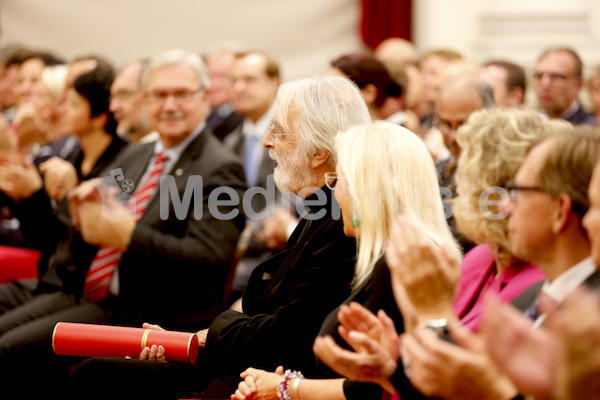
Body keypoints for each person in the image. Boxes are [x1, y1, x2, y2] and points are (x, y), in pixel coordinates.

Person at [67, 74, 372, 400]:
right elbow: (271, 314)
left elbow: (285, 332)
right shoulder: (321, 209)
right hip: (237, 350)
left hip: (259, 370)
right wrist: (188, 339)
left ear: (318, 154)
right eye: (157, 94)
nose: (268, 141)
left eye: (279, 131)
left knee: (90, 371)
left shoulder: (339, 222)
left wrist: (207, 336)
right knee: (88, 363)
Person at [0, 48, 247, 399]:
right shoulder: (137, 155)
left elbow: (209, 258)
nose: (170, 105)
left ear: (205, 98)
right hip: (93, 291)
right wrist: (78, 204)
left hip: (150, 307)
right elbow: (97, 216)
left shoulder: (219, 167)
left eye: (182, 94)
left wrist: (127, 234)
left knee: (11, 351)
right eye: (160, 95)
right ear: (146, 100)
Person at [311, 108, 563, 400]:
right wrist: (392, 370)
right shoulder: (480, 259)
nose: (458, 188)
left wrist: (290, 389)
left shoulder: (541, 287)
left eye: (468, 176)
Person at [232, 121, 461, 400]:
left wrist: (285, 389)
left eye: (338, 181)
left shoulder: (400, 263)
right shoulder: (402, 255)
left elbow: (369, 388)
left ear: (363, 191)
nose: (335, 194)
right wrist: (281, 383)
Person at [434, 76, 494, 253]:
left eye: (463, 124)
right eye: (445, 124)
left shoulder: (498, 175)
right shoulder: (438, 168)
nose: (453, 136)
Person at [533, 46, 596, 126]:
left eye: (557, 77)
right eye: (539, 76)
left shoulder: (592, 127)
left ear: (578, 84)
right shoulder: (526, 127)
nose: (545, 84)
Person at [109, 59, 158, 143]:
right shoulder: (127, 152)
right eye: (112, 97)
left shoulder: (167, 153)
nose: (113, 107)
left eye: (124, 94)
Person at [203, 44, 245, 141]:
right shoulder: (205, 113)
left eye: (222, 76)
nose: (213, 83)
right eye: (210, 75)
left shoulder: (244, 118)